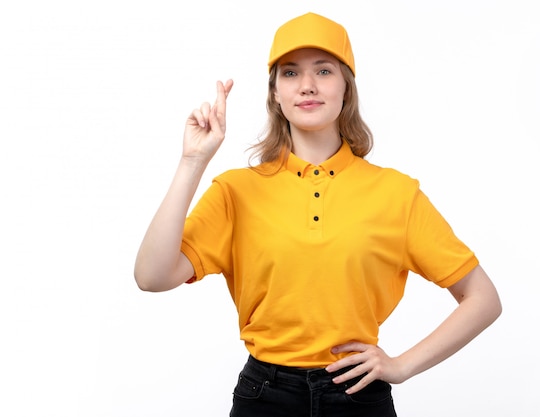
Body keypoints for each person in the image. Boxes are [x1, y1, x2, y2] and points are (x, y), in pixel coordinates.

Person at [134, 11, 502, 417]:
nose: (307, 85)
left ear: (347, 87)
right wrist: (192, 161)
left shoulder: (396, 193)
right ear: (274, 92)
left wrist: (401, 365)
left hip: (358, 394)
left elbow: (482, 298)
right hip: (264, 397)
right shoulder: (235, 191)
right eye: (290, 73)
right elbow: (151, 277)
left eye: (323, 71)